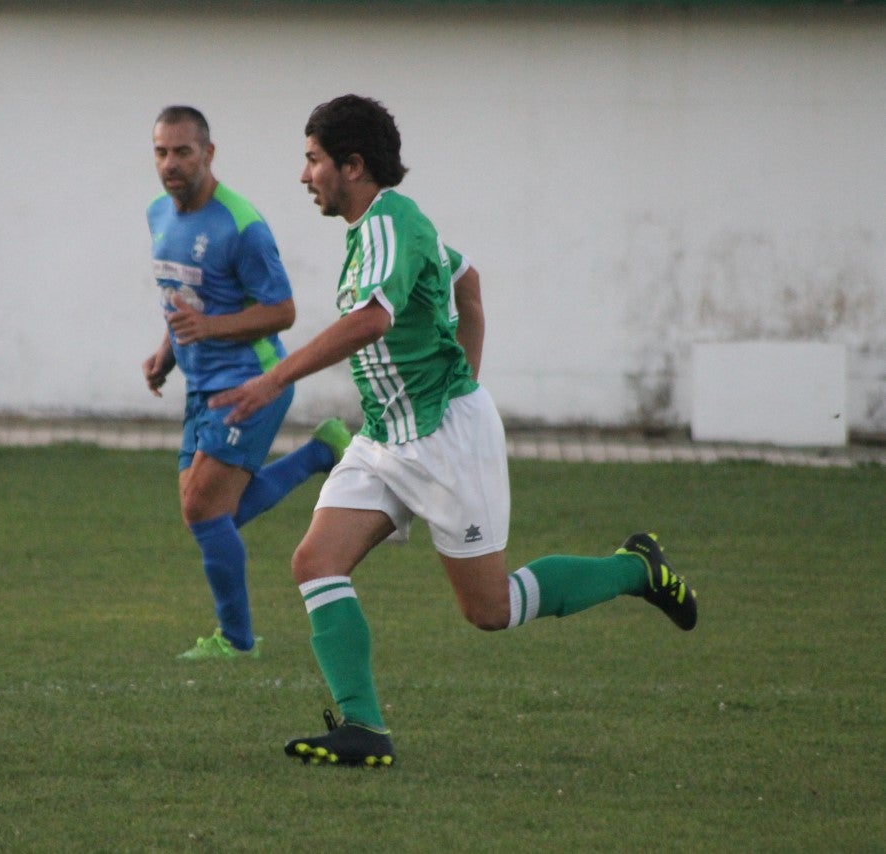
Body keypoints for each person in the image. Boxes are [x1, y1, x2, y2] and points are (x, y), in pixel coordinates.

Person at [210, 94, 698, 767]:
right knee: (315, 562)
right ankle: (364, 730)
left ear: (352, 166)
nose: (304, 175)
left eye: (312, 159)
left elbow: (372, 322)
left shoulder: (390, 223)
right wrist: (463, 371)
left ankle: (634, 568)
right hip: (384, 439)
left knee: (490, 610)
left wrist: (274, 380)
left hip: (445, 442)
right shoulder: (383, 230)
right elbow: (469, 282)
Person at [143, 105, 353, 661]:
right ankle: (319, 453)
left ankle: (236, 643)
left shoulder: (242, 225)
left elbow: (282, 310)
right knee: (213, 514)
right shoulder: (158, 216)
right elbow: (182, 299)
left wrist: (209, 328)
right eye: (162, 151)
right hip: (200, 385)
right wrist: (167, 353)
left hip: (252, 381)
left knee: (204, 512)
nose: (171, 163)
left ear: (208, 154)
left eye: (183, 151)